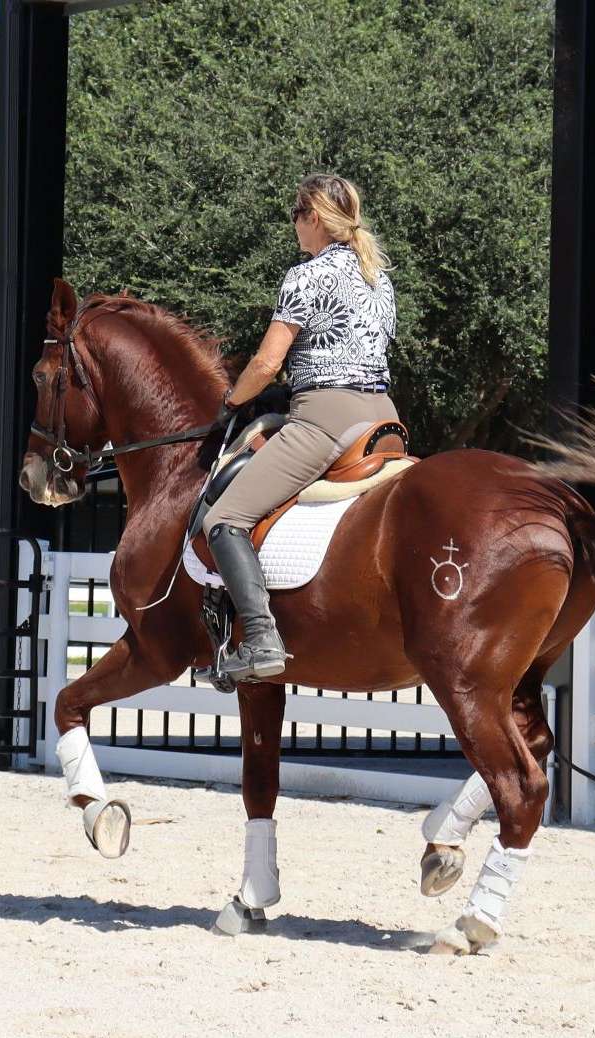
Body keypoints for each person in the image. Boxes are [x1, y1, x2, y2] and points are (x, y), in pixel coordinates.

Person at [203, 173, 400, 682]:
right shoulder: (378, 276)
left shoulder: (305, 276)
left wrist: (232, 400)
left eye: (296, 214)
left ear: (312, 216)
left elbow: (268, 364)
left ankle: (262, 640)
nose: (294, 226)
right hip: (384, 417)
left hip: (325, 419)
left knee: (224, 520)